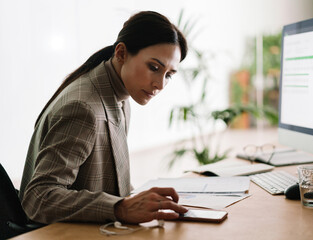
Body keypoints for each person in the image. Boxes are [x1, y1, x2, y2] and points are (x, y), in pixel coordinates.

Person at [19, 11, 188, 224]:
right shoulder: (83, 108)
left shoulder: (121, 94)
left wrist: (144, 201)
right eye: (154, 68)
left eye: (169, 75)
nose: (160, 84)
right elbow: (38, 198)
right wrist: (120, 208)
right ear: (121, 53)